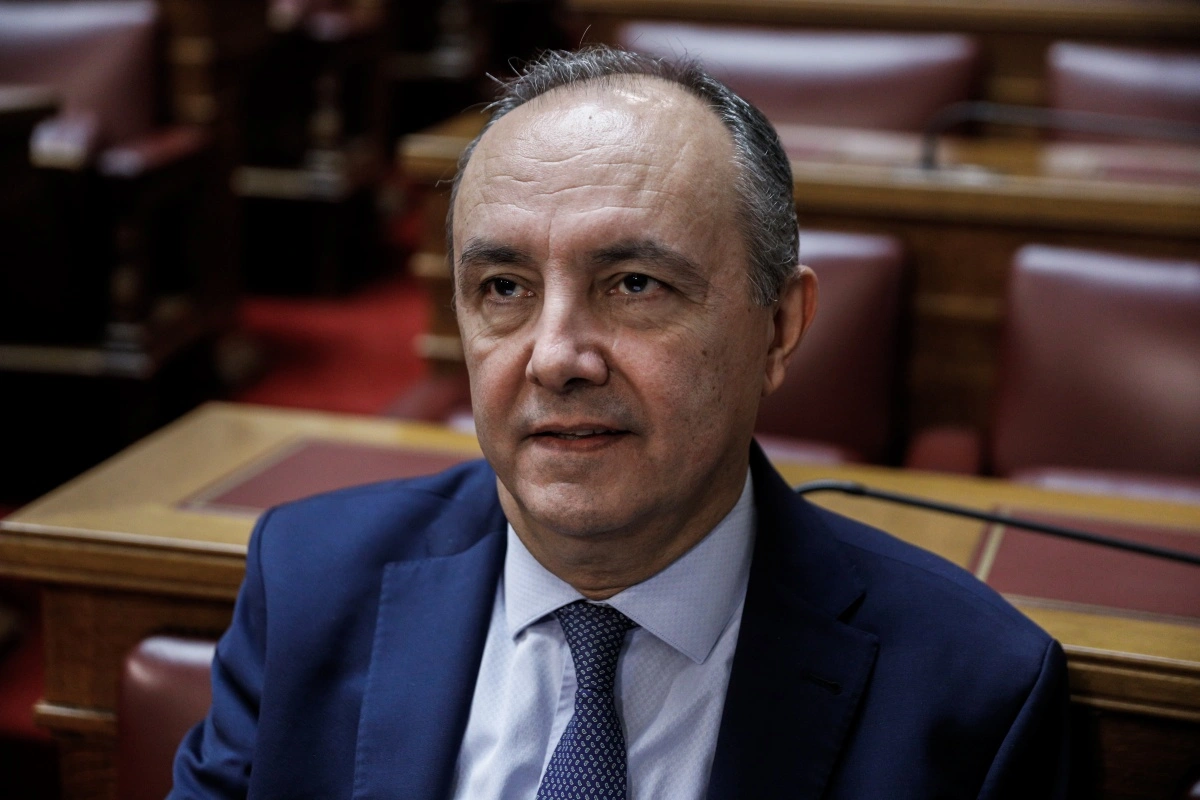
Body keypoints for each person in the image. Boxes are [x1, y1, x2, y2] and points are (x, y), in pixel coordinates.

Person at [170, 46, 1070, 799]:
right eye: (504, 289)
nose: (556, 356)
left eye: (634, 285)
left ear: (778, 329)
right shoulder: (310, 582)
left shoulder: (971, 691)